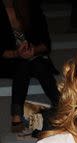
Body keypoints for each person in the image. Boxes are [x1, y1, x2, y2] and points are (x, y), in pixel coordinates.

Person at [0, 0, 59, 131]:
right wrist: (17, 53)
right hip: (8, 62)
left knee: (36, 63)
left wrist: (34, 51)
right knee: (24, 64)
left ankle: (59, 105)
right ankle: (17, 115)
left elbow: (46, 44)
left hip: (35, 58)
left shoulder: (31, 7)